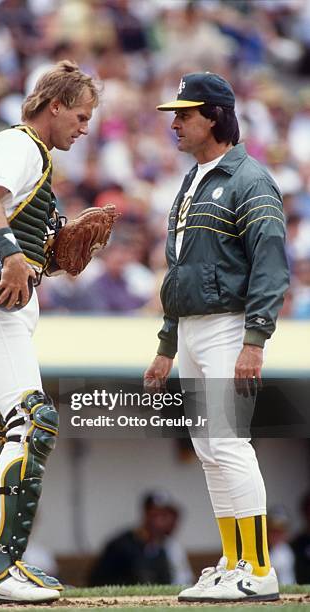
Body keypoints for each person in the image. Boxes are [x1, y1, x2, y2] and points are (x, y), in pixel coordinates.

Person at [0, 60, 99, 603]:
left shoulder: (29, 153)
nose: (84, 127)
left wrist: (50, 258)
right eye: (80, 116)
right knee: (33, 420)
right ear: (54, 106)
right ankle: (0, 569)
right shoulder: (21, 146)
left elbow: (7, 220)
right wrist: (14, 253)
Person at [144, 72, 289, 602]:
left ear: (215, 117)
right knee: (208, 449)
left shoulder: (251, 179)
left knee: (229, 444)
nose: (175, 123)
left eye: (184, 114)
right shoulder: (192, 180)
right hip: (193, 329)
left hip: (229, 327)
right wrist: (166, 344)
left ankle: (258, 566)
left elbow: (272, 265)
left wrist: (255, 340)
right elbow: (178, 270)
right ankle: (232, 560)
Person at [89, 490, 191, 586]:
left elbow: (180, 581)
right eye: (158, 515)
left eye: (168, 516)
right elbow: (97, 581)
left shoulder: (168, 547)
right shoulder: (121, 545)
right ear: (146, 515)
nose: (166, 521)